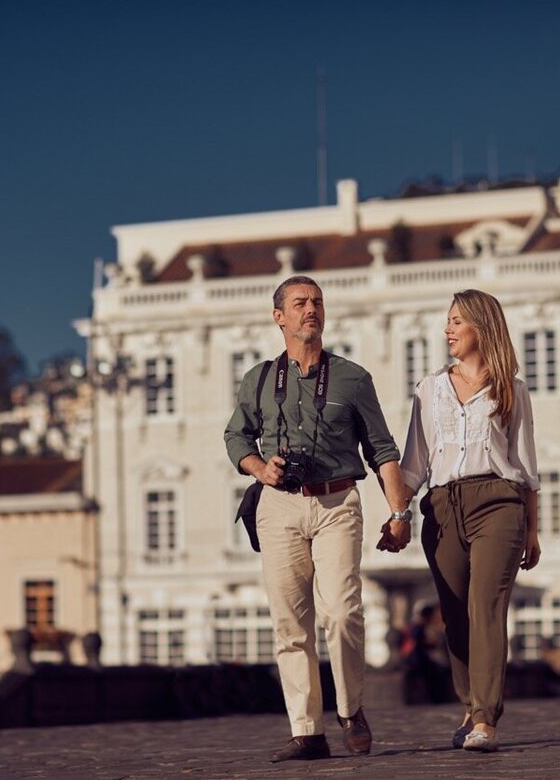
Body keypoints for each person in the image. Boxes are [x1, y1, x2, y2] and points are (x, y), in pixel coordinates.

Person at [224, 275, 411, 763]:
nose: (311, 309)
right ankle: (307, 731)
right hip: (278, 504)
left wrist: (399, 512)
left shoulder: (353, 378)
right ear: (279, 317)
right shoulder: (258, 379)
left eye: (317, 302)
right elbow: (236, 437)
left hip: (337, 502)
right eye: (300, 303)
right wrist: (260, 467)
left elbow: (382, 449)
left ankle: (351, 710)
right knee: (290, 624)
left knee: (342, 611)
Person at [380, 288, 541, 753]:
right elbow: (414, 463)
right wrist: (398, 515)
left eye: (456, 321)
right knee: (454, 616)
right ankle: (471, 704)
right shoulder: (429, 390)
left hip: (499, 503)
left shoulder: (512, 390)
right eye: (447, 321)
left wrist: (532, 530)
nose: (447, 330)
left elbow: (526, 466)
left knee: (486, 608)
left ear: (481, 327)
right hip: (443, 507)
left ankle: (486, 718)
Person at [403, 603, 452, 704]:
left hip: (419, 660)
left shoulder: (418, 626)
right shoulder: (419, 627)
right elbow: (422, 644)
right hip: (419, 661)